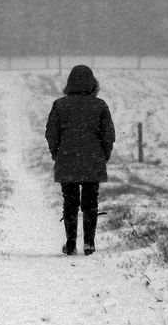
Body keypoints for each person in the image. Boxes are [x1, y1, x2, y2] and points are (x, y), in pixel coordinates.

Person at [45, 64, 115, 256]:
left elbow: (52, 133)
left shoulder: (60, 105)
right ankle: (89, 243)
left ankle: (70, 242)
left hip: (67, 159)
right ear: (93, 83)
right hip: (92, 160)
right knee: (91, 203)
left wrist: (57, 154)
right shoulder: (100, 106)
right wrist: (103, 156)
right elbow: (108, 135)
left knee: (70, 203)